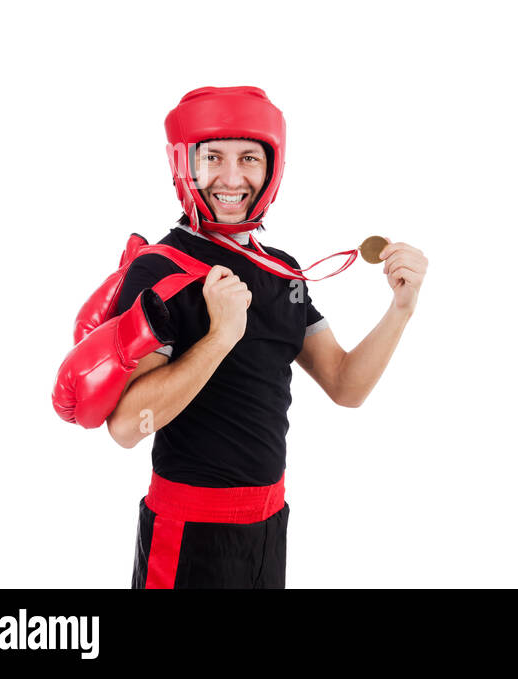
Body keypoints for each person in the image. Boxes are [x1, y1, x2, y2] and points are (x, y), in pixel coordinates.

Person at [99, 86, 426, 588]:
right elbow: (126, 426)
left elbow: (345, 385)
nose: (232, 178)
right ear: (185, 163)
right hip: (188, 529)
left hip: (268, 524)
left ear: (272, 167)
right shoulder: (159, 271)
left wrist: (401, 309)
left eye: (249, 158)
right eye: (213, 157)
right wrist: (219, 338)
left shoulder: (283, 271)